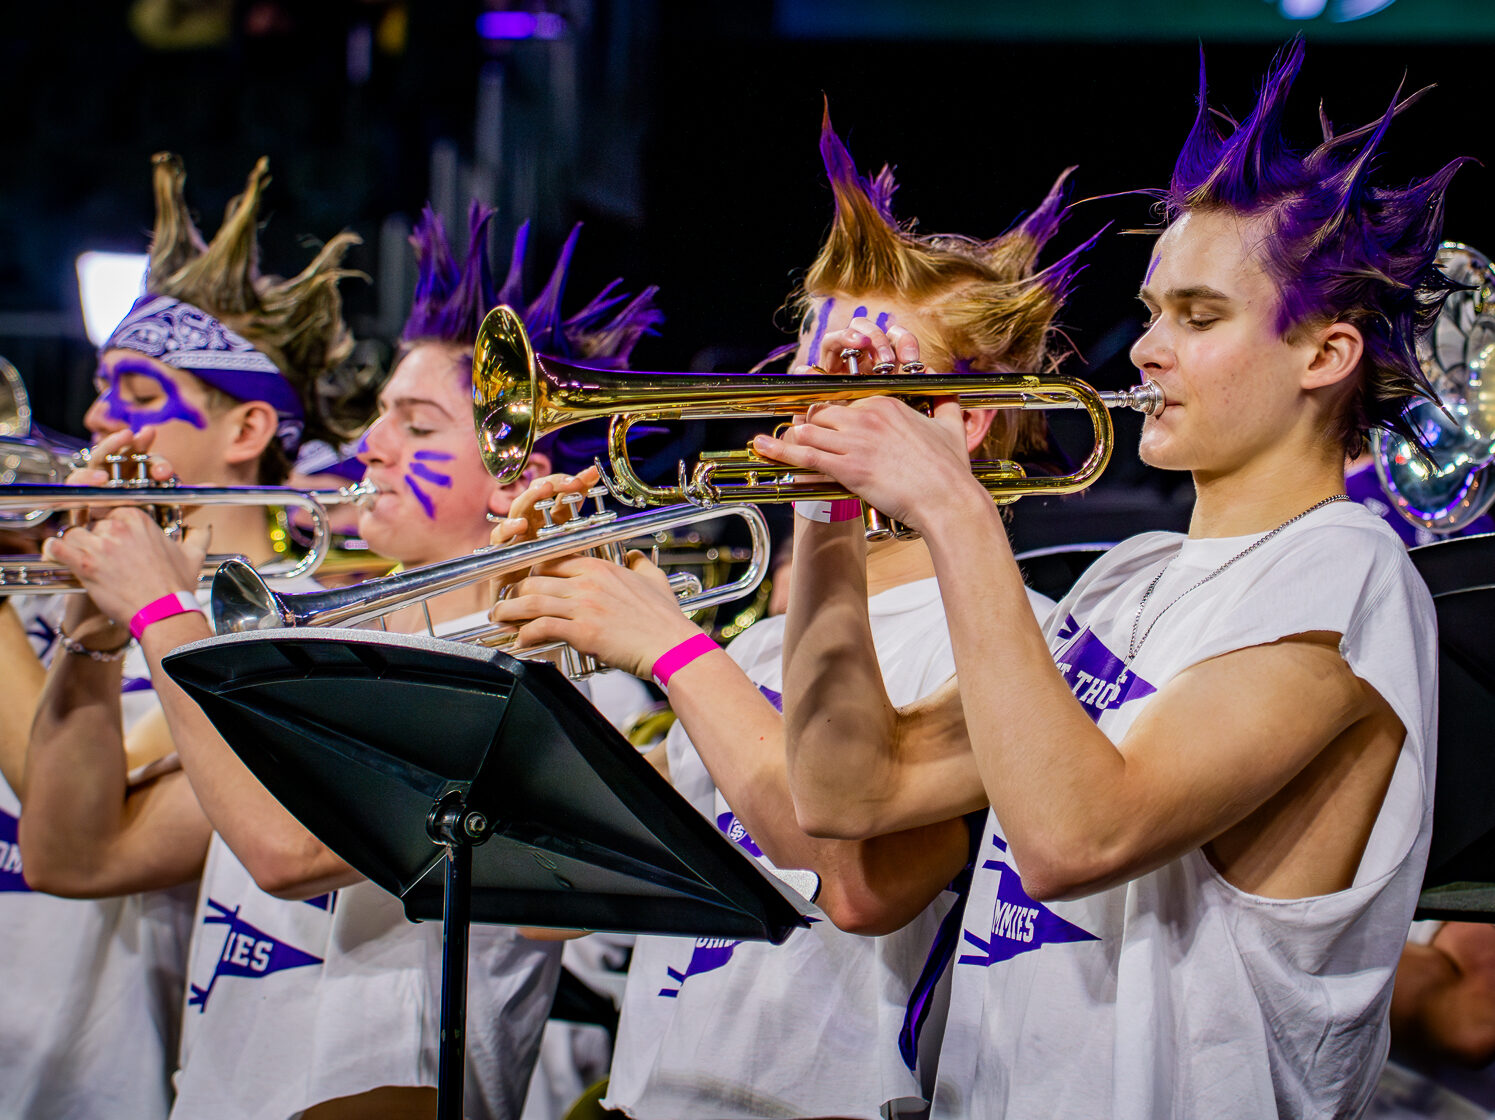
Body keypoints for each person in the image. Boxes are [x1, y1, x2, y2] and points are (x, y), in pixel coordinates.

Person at [756, 41, 1455, 1117]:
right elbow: (845, 792)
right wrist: (829, 517)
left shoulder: (1347, 573)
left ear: (1324, 356)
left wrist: (950, 504)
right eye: (1153, 308)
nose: (1146, 349)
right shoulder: (1125, 580)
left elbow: (1074, 836)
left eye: (1199, 316)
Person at [19, 164, 655, 1116]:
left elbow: (283, 850)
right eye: (379, 418)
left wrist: (160, 615)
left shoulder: (535, 669)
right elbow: (75, 856)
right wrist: (96, 632)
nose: (369, 448)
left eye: (418, 424)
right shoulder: (307, 640)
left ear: (514, 472)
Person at [491, 106, 1086, 1118]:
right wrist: (558, 625)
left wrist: (671, 645)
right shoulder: (765, 636)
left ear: (969, 419)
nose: (811, 397)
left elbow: (861, 886)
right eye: (811, 360)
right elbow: (586, 875)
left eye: (862, 371)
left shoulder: (1005, 637)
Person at [0, 150, 361, 1120]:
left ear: (247, 429)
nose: (93, 419)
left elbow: (67, 803)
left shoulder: (294, 622)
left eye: (140, 396)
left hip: (115, 1080)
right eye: (102, 387)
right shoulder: (47, 601)